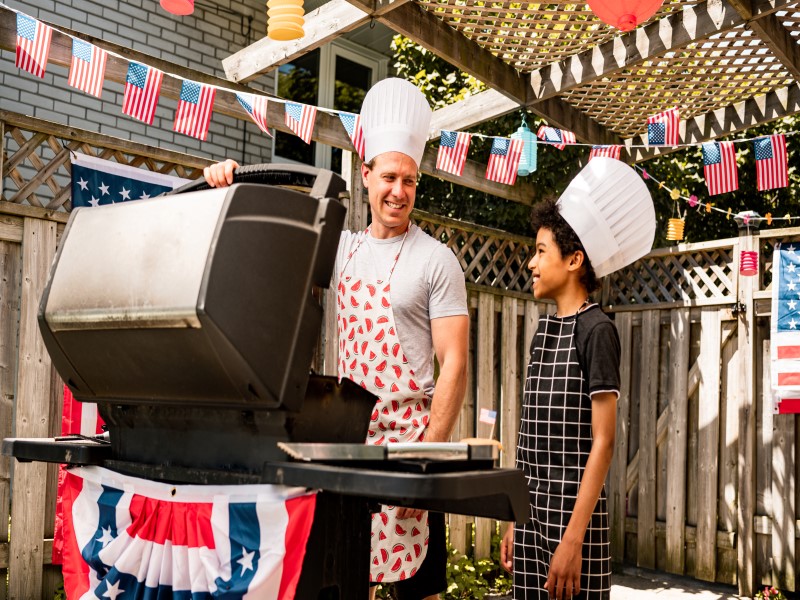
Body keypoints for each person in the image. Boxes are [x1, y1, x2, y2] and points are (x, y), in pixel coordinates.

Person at [203, 78, 469, 600]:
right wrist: (230, 184)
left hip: (410, 451)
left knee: (423, 593)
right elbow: (272, 233)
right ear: (365, 175)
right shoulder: (342, 249)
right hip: (349, 450)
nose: (400, 191)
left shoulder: (437, 260)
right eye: (389, 177)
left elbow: (454, 365)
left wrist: (425, 464)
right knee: (344, 583)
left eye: (410, 181)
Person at [500, 158, 655, 600]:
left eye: (541, 251)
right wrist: (516, 521)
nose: (531, 262)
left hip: (573, 525)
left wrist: (572, 542)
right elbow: (529, 440)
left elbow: (603, 444)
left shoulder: (597, 331)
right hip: (531, 520)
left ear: (573, 259)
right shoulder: (544, 331)